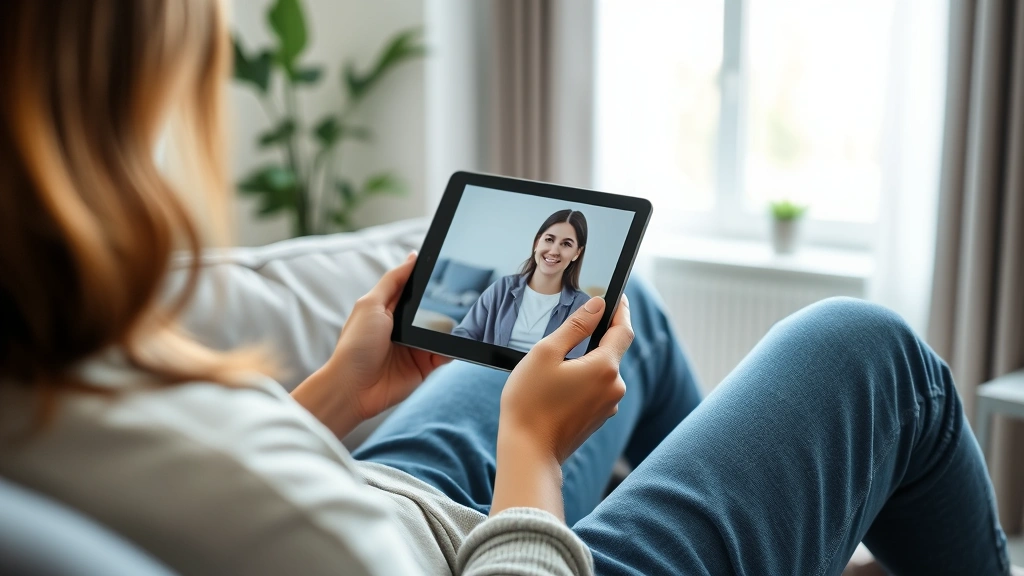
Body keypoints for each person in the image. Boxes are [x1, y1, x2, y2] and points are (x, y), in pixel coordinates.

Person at [0, 1, 1013, 575]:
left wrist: (333, 399)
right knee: (871, 354)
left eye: (569, 245)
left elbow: (206, 495)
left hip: (383, 495)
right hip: (485, 556)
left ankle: (783, 538)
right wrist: (529, 448)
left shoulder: (47, 382)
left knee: (631, 317)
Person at [451, 209, 594, 357]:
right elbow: (464, 334)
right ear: (537, 242)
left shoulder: (582, 306)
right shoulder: (503, 287)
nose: (554, 251)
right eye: (549, 239)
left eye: (566, 244)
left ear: (577, 253)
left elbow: (574, 366)